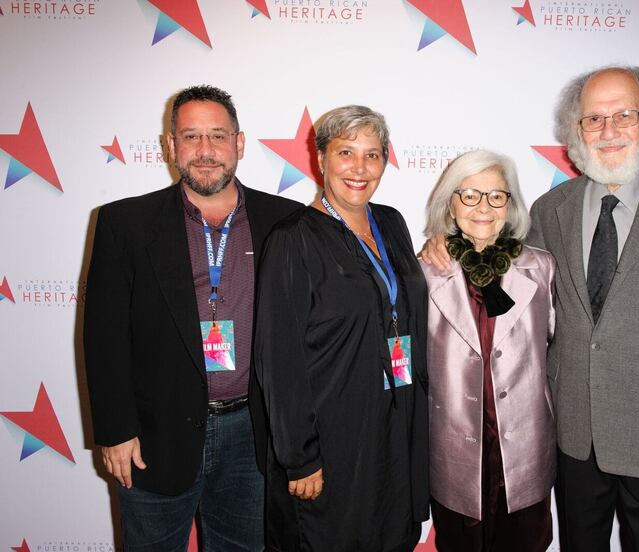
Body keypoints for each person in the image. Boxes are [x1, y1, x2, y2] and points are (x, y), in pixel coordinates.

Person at [422, 66, 639, 551]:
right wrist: (440, 243)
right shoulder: (551, 210)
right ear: (576, 131)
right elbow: (497, 262)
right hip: (572, 439)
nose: (609, 131)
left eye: (624, 116)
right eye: (593, 119)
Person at [84, 85, 301, 550]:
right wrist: (116, 431)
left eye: (218, 137)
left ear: (239, 144)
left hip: (253, 437)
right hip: (153, 437)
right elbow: (104, 338)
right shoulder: (125, 223)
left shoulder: (286, 220)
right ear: (170, 146)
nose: (205, 152)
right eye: (191, 137)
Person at [253, 105, 429, 552]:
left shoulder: (391, 223)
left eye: (373, 155)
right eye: (346, 152)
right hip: (330, 442)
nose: (359, 168)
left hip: (394, 430)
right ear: (321, 159)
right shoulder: (292, 239)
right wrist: (300, 458)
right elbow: (278, 359)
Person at [420, 150, 556, 552]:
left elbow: (557, 346)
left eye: (497, 196)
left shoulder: (542, 267)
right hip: (454, 449)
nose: (484, 207)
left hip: (525, 448)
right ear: (451, 202)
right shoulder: (423, 272)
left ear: (510, 204)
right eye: (470, 195)